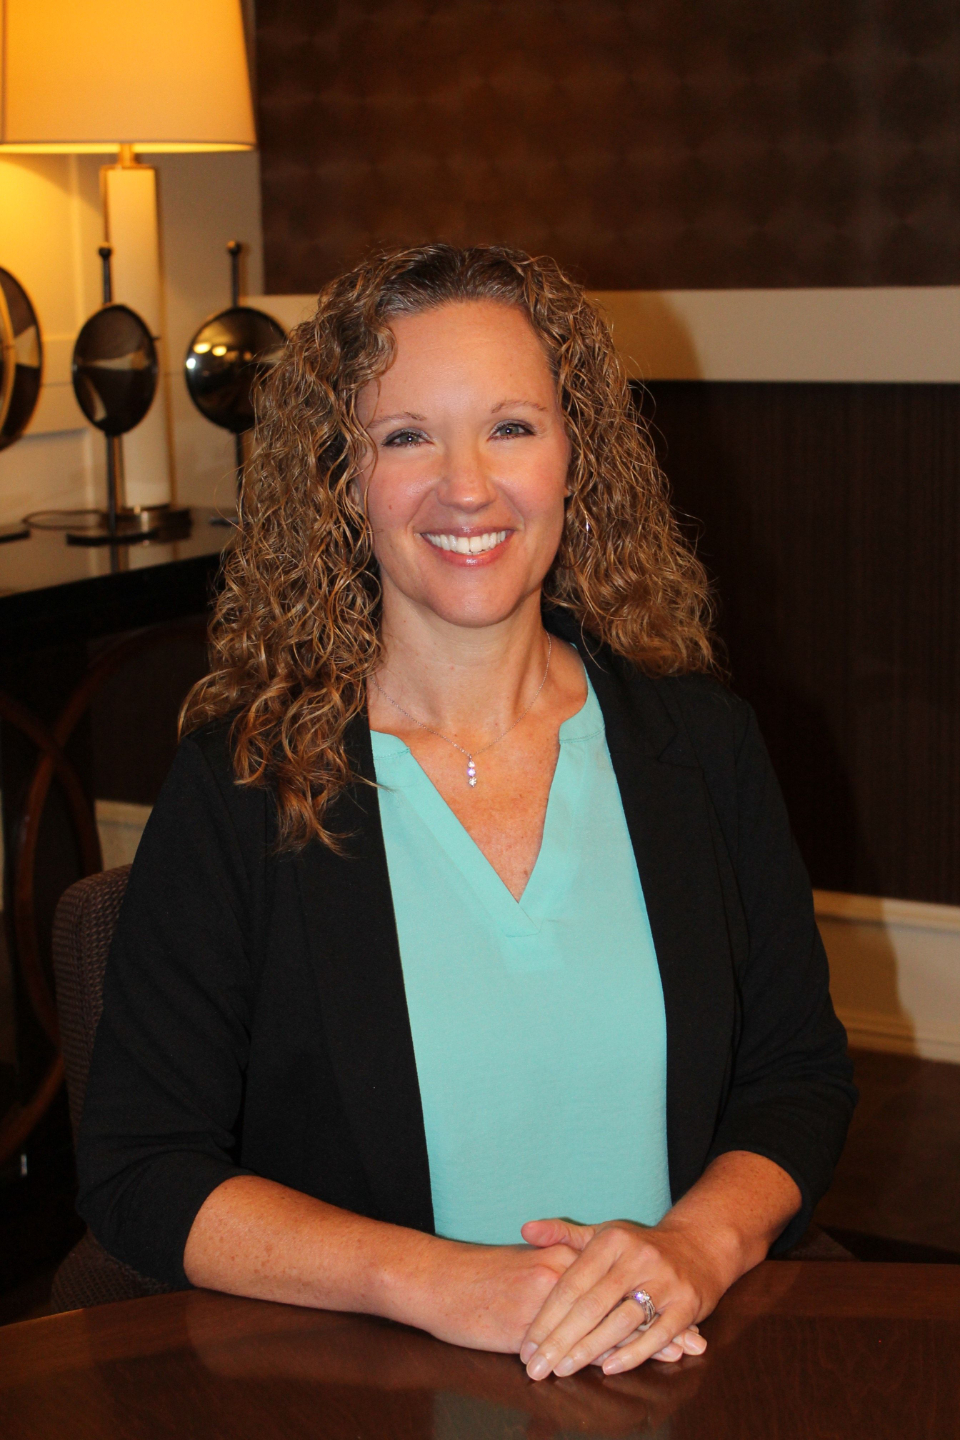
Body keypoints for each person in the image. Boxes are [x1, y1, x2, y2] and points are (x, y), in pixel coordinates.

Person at [77, 244, 856, 1381]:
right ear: (344, 480)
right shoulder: (245, 783)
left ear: (575, 455)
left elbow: (799, 1077)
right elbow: (141, 1169)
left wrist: (697, 1243)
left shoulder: (703, 748)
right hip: (374, 1389)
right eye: (406, 437)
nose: (468, 486)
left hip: (674, 1369)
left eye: (511, 427)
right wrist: (440, 1282)